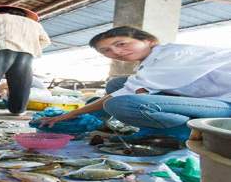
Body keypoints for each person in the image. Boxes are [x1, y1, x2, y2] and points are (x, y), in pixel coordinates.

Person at [40, 26, 231, 142]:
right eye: (106, 51)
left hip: (226, 104)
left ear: (148, 41)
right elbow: (126, 88)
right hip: (208, 99)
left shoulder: (171, 55)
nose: (116, 51)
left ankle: (181, 132)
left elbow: (121, 97)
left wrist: (72, 114)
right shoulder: (151, 61)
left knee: (120, 104)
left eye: (121, 43)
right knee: (118, 84)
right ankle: (161, 127)